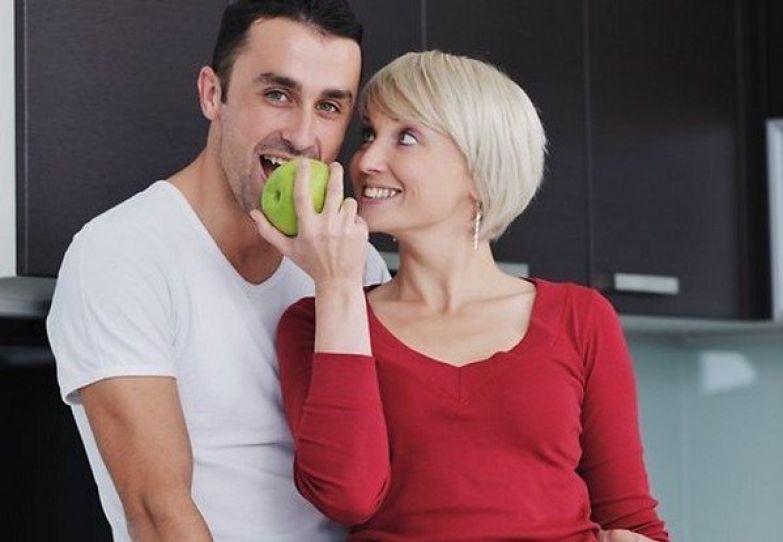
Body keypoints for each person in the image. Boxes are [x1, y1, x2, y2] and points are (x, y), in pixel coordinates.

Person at [251, 51, 670, 541]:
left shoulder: (580, 318)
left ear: (478, 170)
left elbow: (631, 519)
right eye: (368, 134)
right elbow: (348, 495)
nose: (365, 160)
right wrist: (337, 287)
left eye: (406, 137)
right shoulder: (316, 323)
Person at [46, 1, 389, 540]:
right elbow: (159, 514)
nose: (303, 136)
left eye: (328, 106)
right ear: (213, 94)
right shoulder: (120, 253)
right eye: (277, 95)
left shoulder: (352, 262)